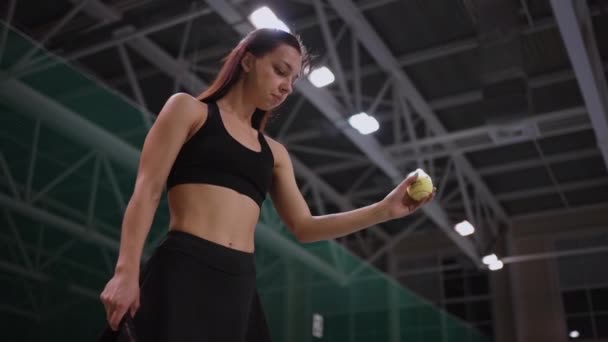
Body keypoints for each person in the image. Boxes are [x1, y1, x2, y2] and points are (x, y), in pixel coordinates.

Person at [97, 28, 435, 342]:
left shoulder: (275, 154)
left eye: (294, 79)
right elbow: (148, 188)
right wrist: (125, 272)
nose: (288, 86)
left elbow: (304, 227)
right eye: (280, 70)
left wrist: (384, 210)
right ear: (246, 60)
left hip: (239, 281)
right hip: (185, 268)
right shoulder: (189, 111)